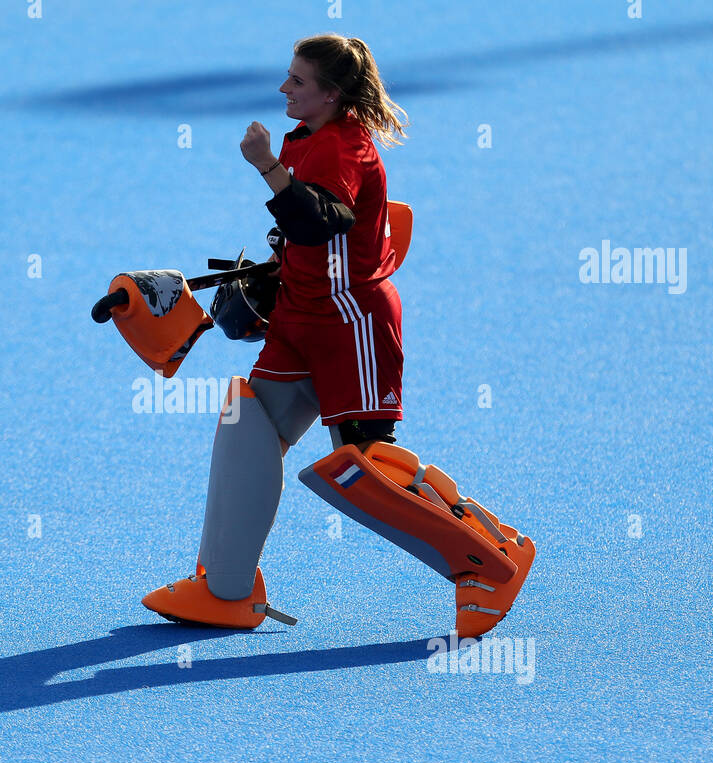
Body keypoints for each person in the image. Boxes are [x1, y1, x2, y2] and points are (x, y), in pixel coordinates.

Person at [140, 34, 534, 634]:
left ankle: (488, 563)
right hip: (301, 317)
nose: (284, 88)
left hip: (351, 326)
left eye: (297, 81)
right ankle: (226, 588)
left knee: (364, 468)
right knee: (248, 428)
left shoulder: (343, 147)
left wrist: (266, 167)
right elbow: (311, 235)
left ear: (331, 92)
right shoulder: (309, 138)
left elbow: (322, 220)